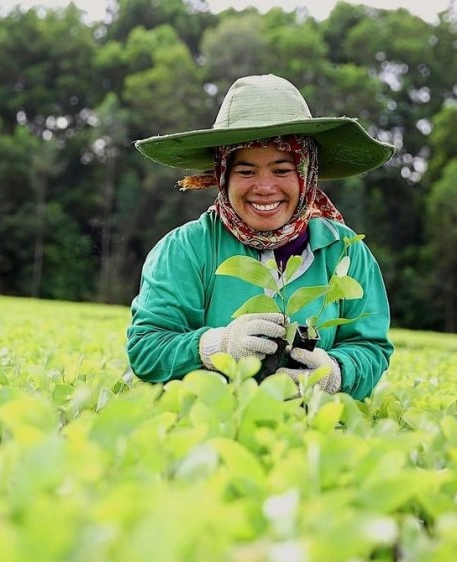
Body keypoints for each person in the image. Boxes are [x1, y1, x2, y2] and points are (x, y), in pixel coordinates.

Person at [125, 74, 394, 401]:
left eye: (282, 170)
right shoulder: (184, 250)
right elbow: (146, 348)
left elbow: (371, 347)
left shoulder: (347, 253)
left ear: (307, 173)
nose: (264, 188)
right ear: (223, 174)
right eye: (246, 171)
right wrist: (215, 346)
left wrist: (335, 372)